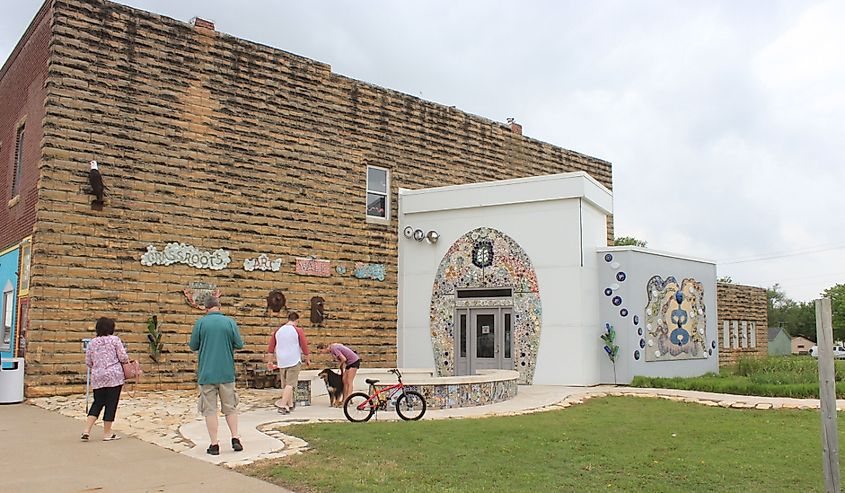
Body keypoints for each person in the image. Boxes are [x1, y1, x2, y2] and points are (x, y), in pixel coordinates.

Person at [189, 296, 245, 456]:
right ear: (219, 307)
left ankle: (214, 444)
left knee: (210, 410)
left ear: (206, 308)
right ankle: (235, 438)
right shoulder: (230, 322)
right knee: (230, 407)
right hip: (226, 371)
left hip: (207, 373)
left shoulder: (200, 323)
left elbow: (193, 345)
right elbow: (239, 344)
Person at [82, 317, 129, 441]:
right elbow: (123, 357)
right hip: (114, 376)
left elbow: (88, 362)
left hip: (98, 377)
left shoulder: (92, 343)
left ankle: (87, 430)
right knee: (111, 404)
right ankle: (107, 433)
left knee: (97, 403)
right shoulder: (115, 340)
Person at [265, 311, 311, 414]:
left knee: (286, 384)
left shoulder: (278, 330)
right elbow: (304, 345)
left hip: (281, 360)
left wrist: (269, 361)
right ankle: (282, 405)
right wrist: (307, 358)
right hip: (294, 359)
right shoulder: (297, 330)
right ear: (297, 320)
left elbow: (271, 348)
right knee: (290, 384)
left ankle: (290, 405)